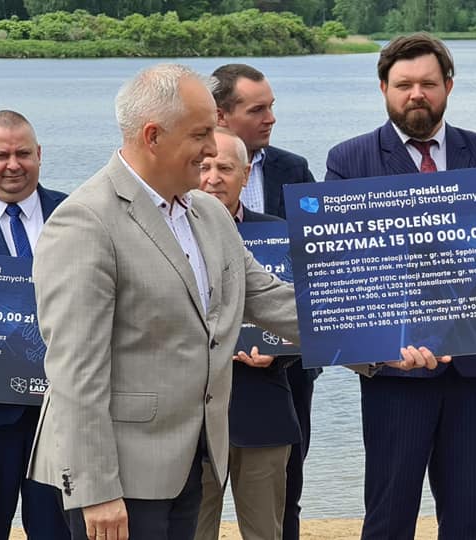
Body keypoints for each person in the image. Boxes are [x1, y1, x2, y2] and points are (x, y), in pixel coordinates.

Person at [26, 63, 306, 540]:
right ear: (153, 136)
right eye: (201, 133)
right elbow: (75, 372)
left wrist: (386, 337)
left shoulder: (209, 212)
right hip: (119, 481)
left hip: (191, 463)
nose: (214, 148)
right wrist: (96, 491)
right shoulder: (84, 224)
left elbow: (272, 300)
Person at [325, 32, 476, 540]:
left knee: (469, 515)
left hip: (475, 368)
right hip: (395, 370)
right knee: (389, 514)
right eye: (404, 84)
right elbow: (346, 268)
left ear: (448, 85)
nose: (417, 95)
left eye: (428, 83)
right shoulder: (350, 160)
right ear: (383, 87)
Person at [211, 64, 319, 539]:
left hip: (279, 377)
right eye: (258, 109)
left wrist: (288, 347)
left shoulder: (291, 170)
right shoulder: (174, 211)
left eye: (271, 106)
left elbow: (312, 279)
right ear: (221, 115)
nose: (270, 118)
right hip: (199, 394)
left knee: (280, 502)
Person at [0, 110, 70, 540]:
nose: (13, 164)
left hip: (60, 415)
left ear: (39, 154)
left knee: (61, 533)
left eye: (23, 153)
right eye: (0, 154)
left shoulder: (76, 213)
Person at [195, 127, 301, 540]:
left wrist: (281, 354)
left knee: (265, 532)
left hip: (264, 410)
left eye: (225, 168)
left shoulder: (277, 231)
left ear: (245, 175)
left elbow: (294, 312)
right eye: (205, 166)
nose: (213, 177)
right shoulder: (171, 233)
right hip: (194, 421)